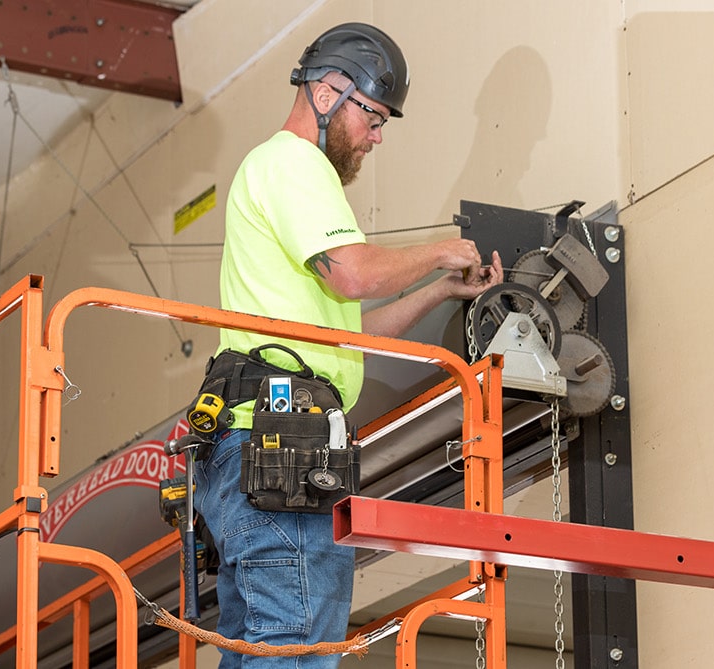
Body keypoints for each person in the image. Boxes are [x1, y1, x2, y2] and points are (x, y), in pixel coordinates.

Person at [193, 22, 503, 668]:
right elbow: (354, 272)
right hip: (281, 444)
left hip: (259, 444)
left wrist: (441, 289)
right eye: (374, 116)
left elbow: (349, 332)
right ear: (330, 90)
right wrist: (441, 249)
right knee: (297, 645)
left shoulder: (280, 183)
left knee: (269, 643)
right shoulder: (292, 162)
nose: (378, 136)